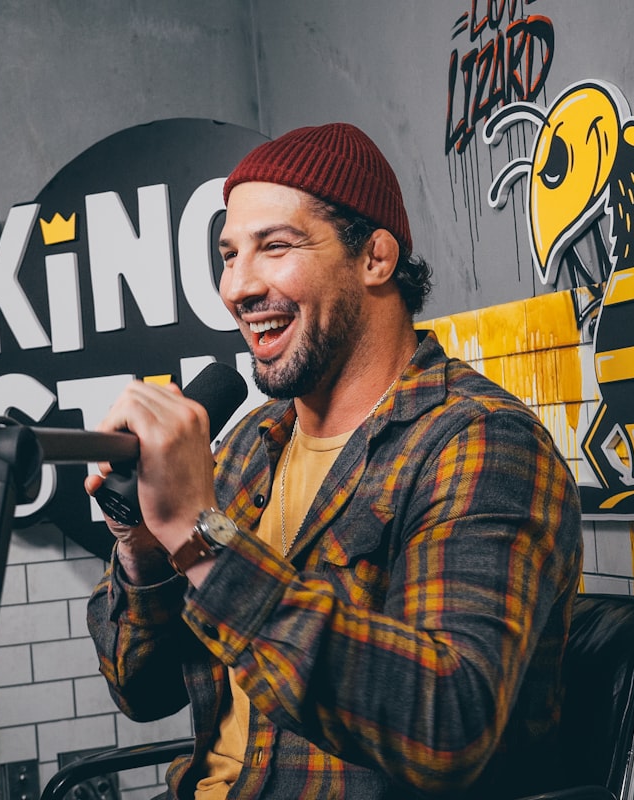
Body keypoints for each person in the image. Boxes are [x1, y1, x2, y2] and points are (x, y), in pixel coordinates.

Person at [85, 122, 583, 799]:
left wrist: (201, 539)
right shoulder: (241, 454)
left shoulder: (480, 444)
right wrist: (143, 545)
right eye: (229, 255)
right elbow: (141, 694)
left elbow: (449, 725)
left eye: (275, 247)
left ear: (376, 258)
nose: (237, 287)